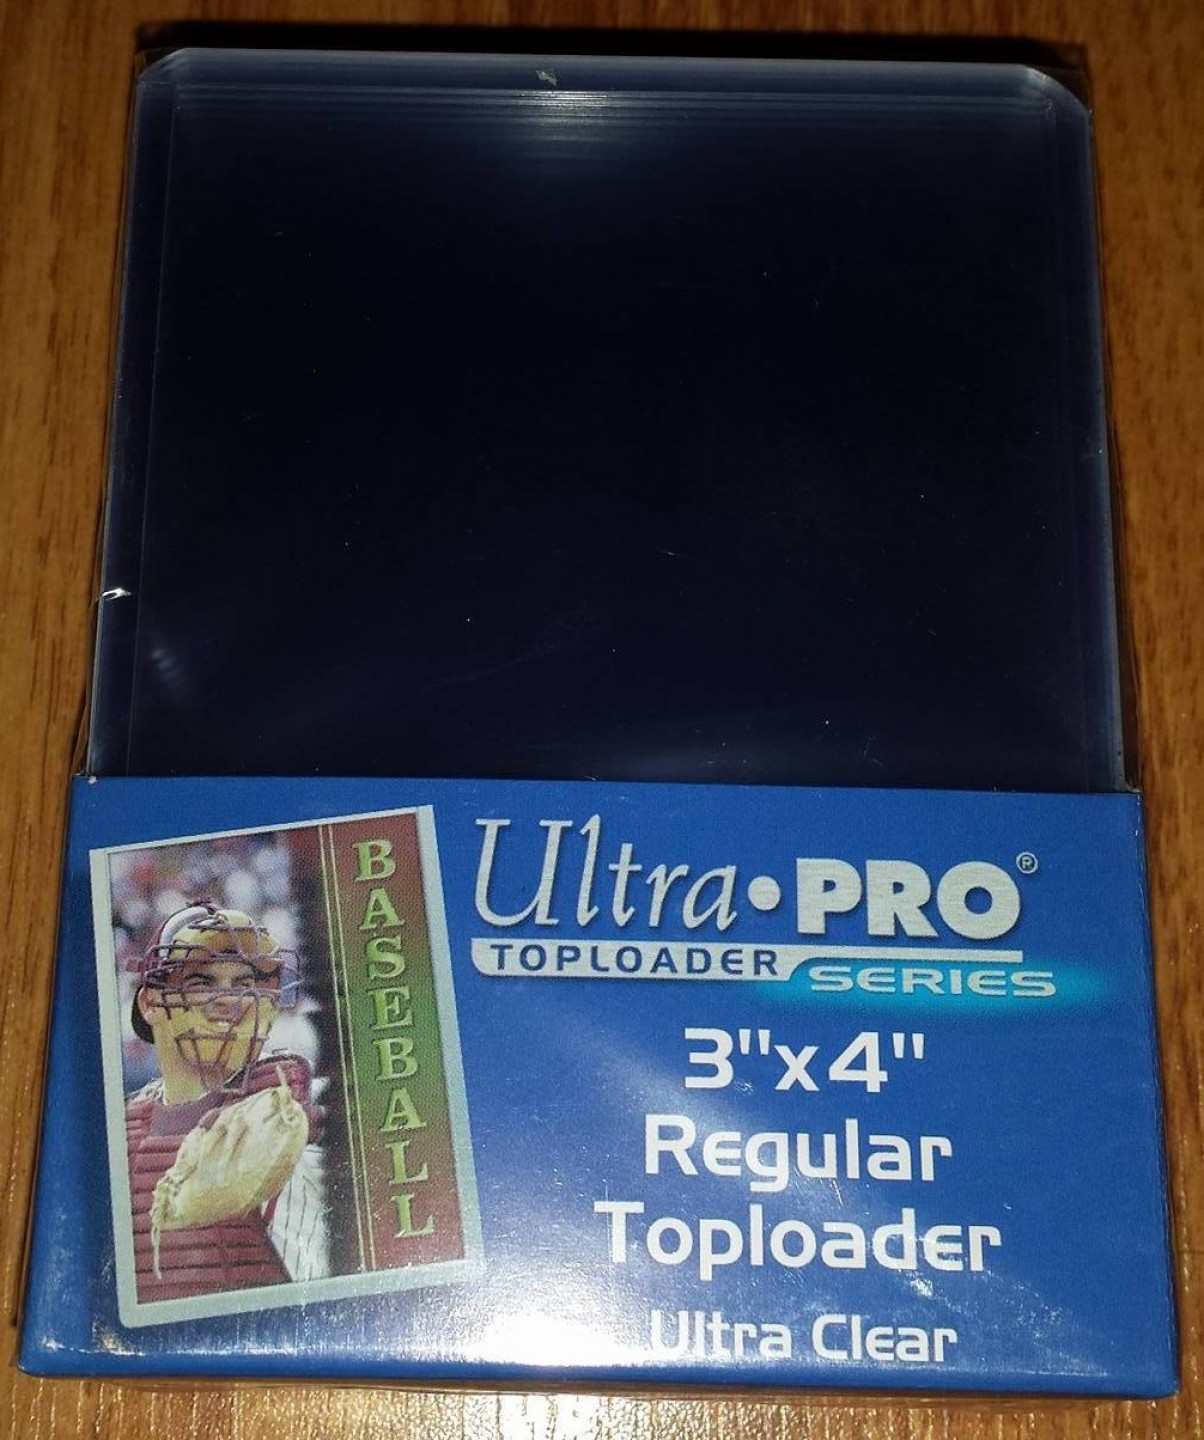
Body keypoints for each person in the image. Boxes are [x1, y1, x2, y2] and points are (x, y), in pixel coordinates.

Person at [126, 903, 326, 1304]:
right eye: (201, 981)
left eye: (243, 984)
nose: (228, 999)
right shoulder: (118, 1130)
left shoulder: (294, 1122)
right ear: (150, 1004)